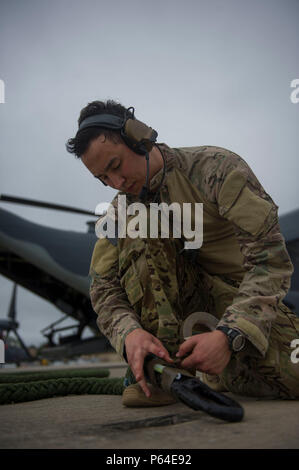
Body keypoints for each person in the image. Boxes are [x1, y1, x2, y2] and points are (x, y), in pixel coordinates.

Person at [66, 100, 299, 405]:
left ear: (139, 138)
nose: (117, 183)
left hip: (242, 305)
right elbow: (103, 287)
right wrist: (129, 336)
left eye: (115, 166)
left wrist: (230, 334)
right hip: (177, 314)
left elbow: (270, 260)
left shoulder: (217, 168)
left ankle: (217, 368)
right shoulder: (120, 212)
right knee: (140, 220)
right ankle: (164, 372)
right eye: (104, 179)